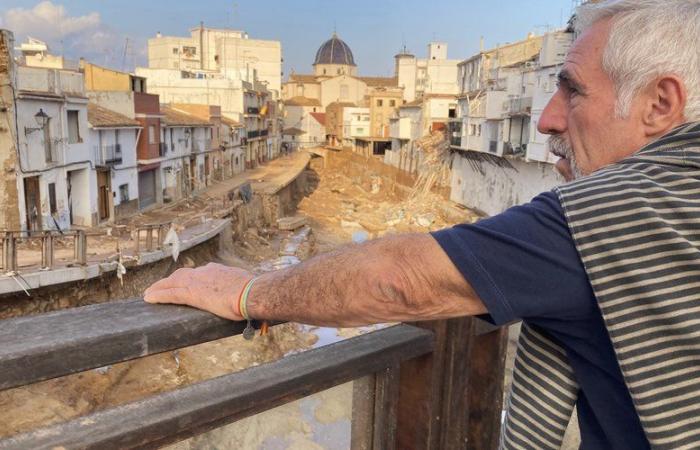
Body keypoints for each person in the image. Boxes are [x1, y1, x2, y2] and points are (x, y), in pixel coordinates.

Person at [145, 1, 700, 448]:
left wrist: (249, 292)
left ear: (660, 103)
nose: (548, 117)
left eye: (572, 90)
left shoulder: (616, 212)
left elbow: (402, 280)